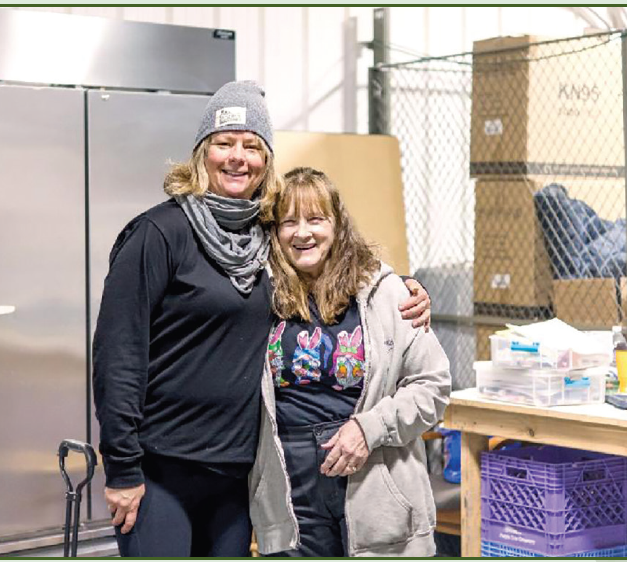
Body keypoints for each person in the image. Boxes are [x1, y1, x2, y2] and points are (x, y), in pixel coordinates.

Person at [92, 81, 432, 557]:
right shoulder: (158, 234)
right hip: (162, 469)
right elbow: (118, 355)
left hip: (238, 473)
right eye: (224, 143)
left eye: (252, 146)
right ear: (200, 153)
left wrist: (409, 287)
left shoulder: (265, 242)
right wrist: (123, 467)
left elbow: (333, 261)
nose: (238, 157)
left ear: (265, 161)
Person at [249, 167, 451, 557]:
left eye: (316, 219)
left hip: (376, 477)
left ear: (338, 225)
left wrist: (370, 428)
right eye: (289, 221)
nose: (302, 232)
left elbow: (434, 385)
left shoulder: (388, 293)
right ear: (274, 232)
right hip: (291, 488)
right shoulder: (260, 296)